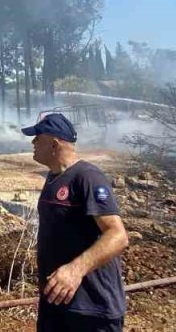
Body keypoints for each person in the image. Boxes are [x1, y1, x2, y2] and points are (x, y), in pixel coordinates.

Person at [22, 112, 129, 332]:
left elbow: (117, 236)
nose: (32, 142)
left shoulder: (88, 177)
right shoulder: (53, 178)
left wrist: (74, 270)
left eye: (37, 137)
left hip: (91, 309)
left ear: (54, 144)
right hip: (57, 304)